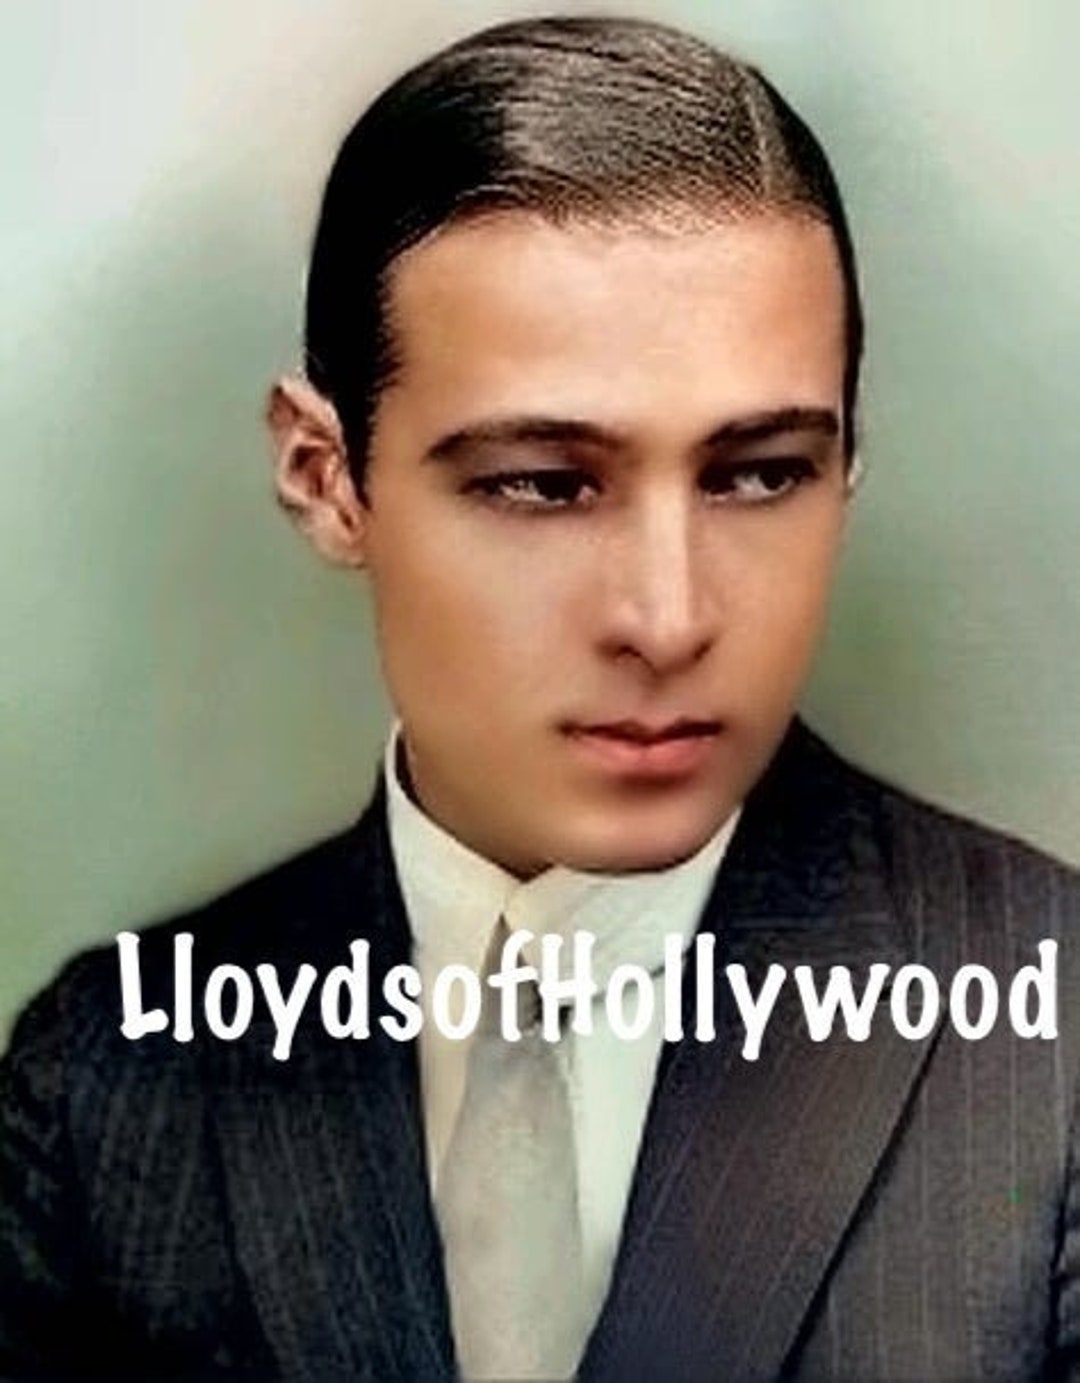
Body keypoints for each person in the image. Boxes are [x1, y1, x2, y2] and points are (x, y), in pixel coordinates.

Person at [1, 15, 1078, 1382]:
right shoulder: (108, 1082)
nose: (668, 619)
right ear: (327, 477)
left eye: (760, 473)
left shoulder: (1053, 1038)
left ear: (847, 463)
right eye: (543, 484)